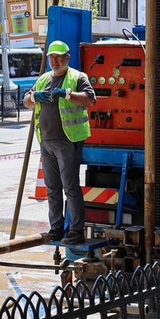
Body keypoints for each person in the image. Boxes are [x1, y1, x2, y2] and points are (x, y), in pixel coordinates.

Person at [23, 41, 96, 245]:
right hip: (46, 141)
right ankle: (56, 228)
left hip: (68, 140)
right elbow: (26, 101)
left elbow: (90, 100)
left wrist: (67, 94)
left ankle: (75, 230)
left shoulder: (77, 77)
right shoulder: (44, 79)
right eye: (51, 58)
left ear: (67, 58)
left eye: (59, 57)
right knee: (52, 187)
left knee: (70, 187)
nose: (55, 61)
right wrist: (34, 97)